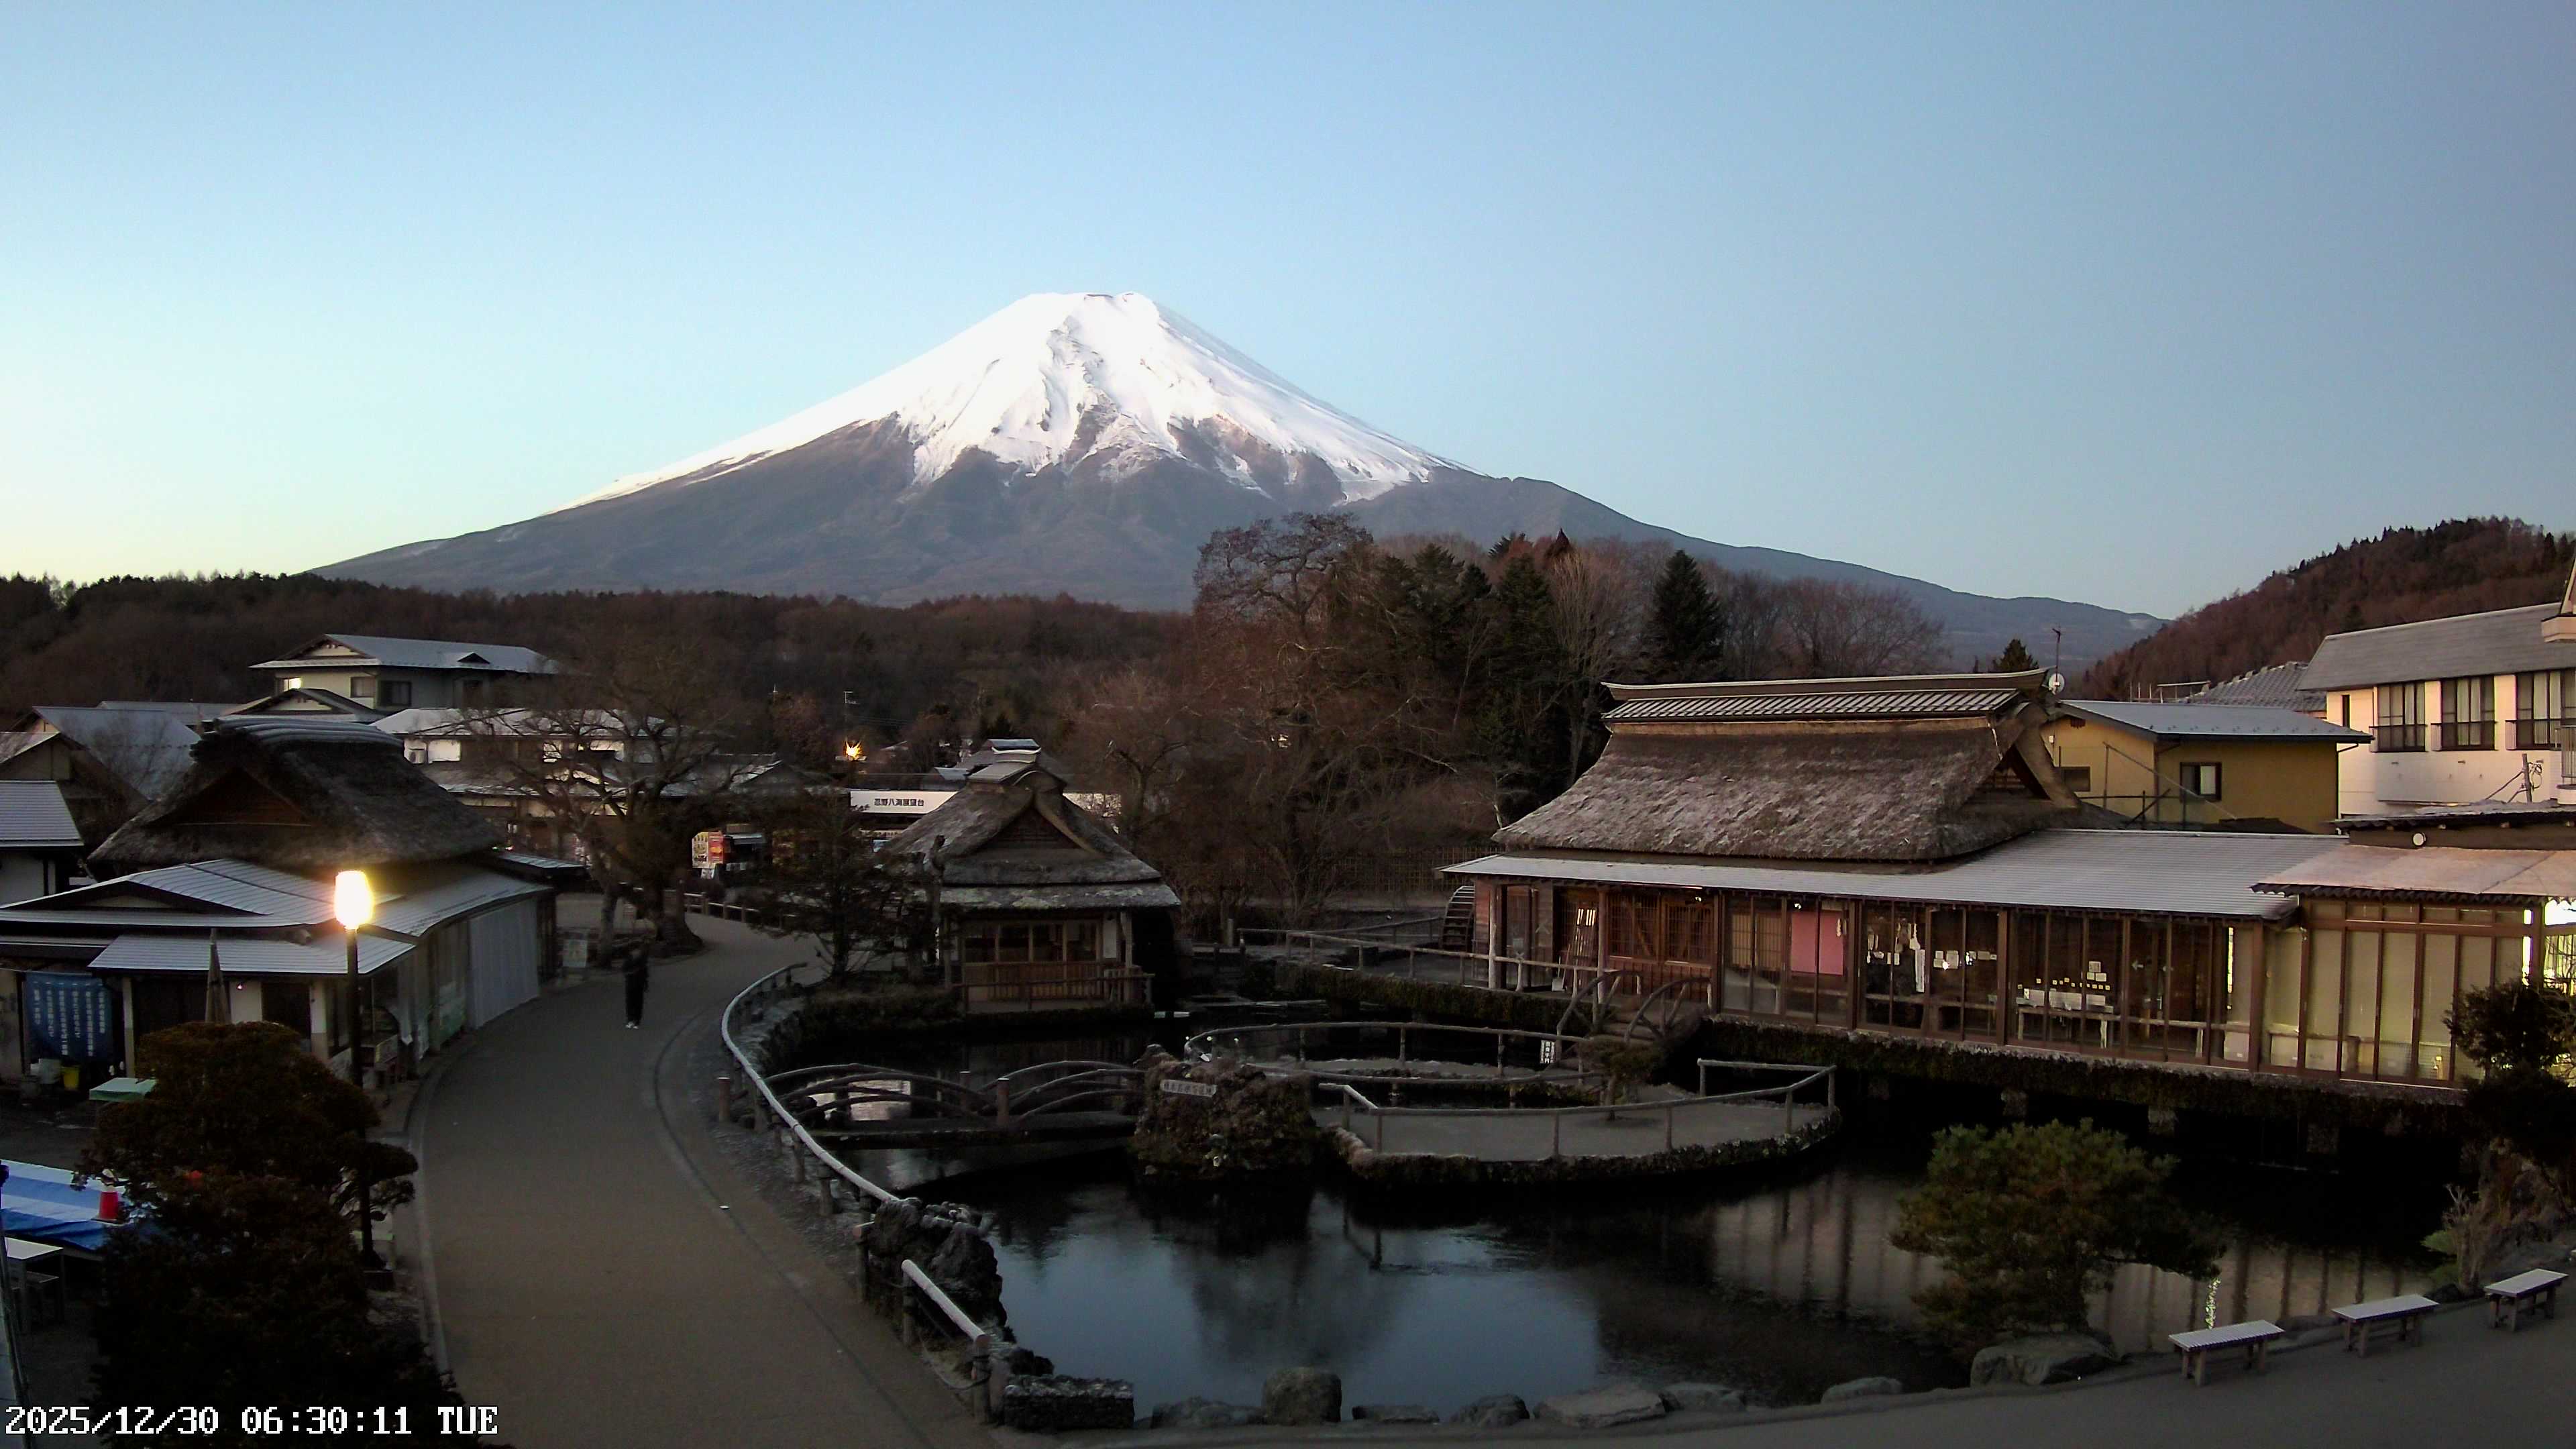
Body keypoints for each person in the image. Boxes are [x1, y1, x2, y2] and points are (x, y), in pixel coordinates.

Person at [621, 945, 651, 1029]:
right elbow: (624, 970)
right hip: (630, 984)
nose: (636, 953)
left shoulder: (642, 960)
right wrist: (632, 972)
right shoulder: (629, 960)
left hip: (639, 984)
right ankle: (630, 1019)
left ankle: (637, 1020)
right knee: (630, 1002)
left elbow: (645, 974)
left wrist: (645, 984)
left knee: (638, 1003)